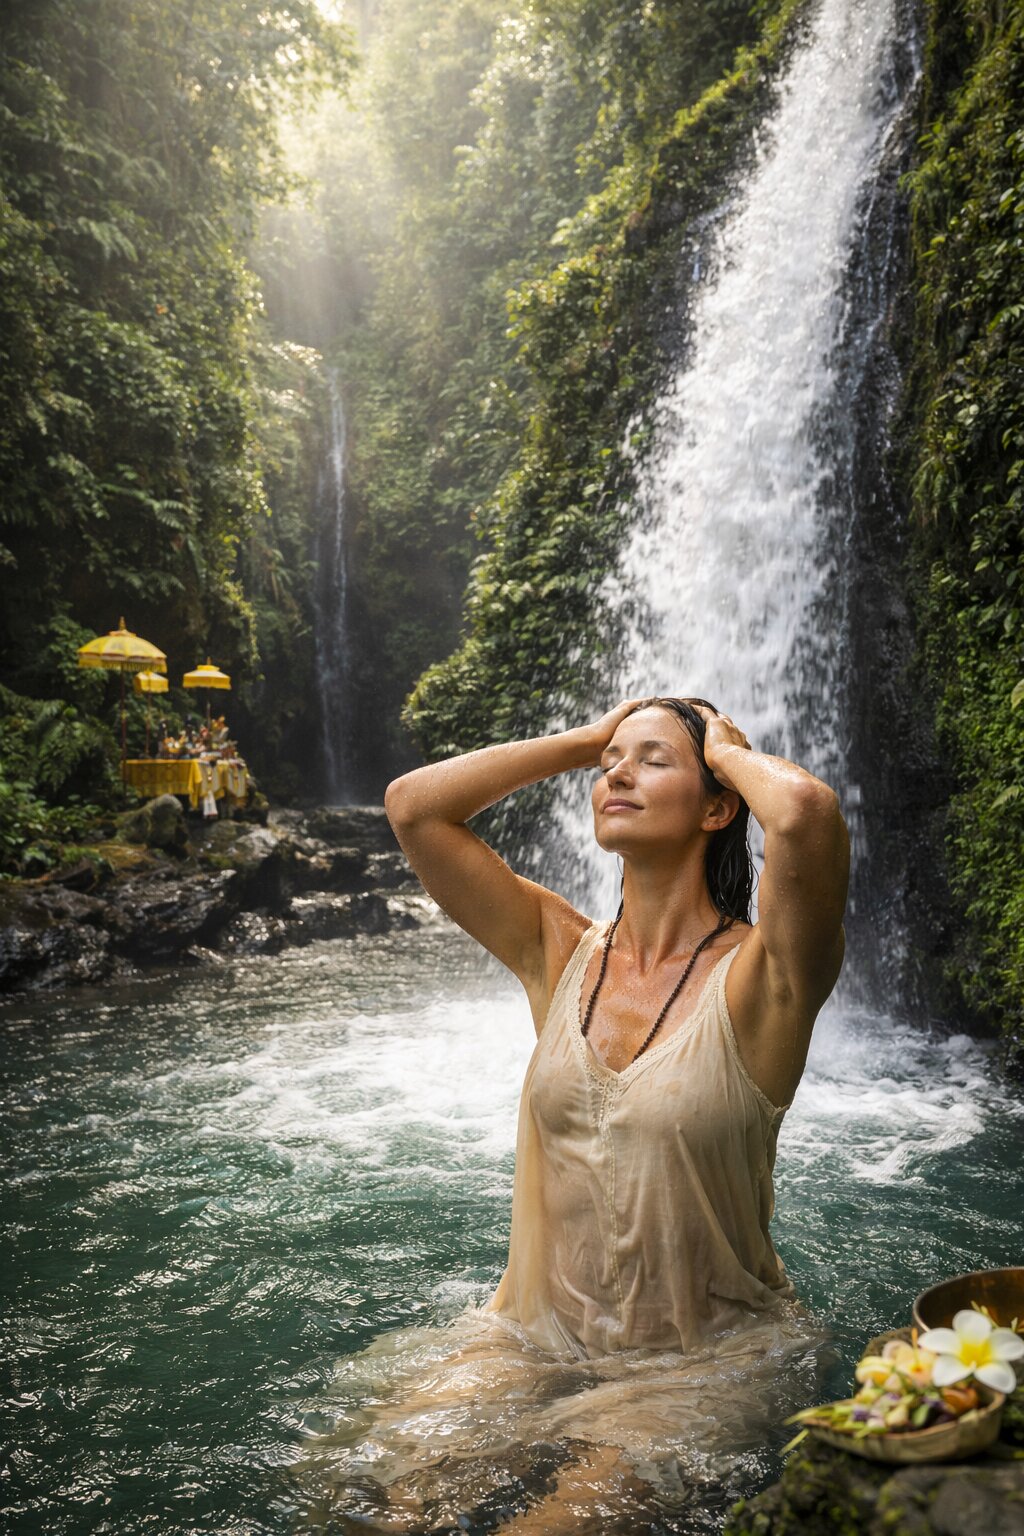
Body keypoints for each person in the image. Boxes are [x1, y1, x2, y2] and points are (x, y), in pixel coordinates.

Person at [331, 698, 849, 1530]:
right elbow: (414, 807)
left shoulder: (767, 980)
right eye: (614, 761)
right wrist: (587, 741)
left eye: (652, 760)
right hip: (532, 1337)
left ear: (719, 804)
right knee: (373, 1507)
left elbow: (805, 813)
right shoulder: (560, 951)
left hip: (699, 1363)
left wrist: (722, 744)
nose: (618, 772)